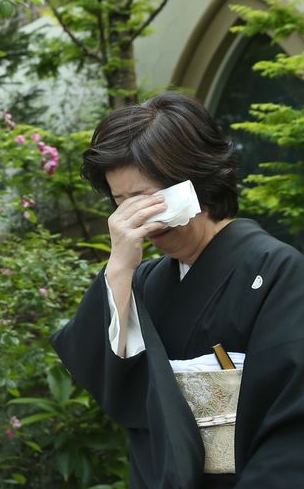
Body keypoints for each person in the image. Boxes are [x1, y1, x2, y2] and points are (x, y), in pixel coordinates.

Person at [51, 92, 304, 488]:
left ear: (194, 181)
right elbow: (106, 380)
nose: (134, 217)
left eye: (144, 198)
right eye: (120, 202)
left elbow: (292, 423)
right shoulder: (143, 282)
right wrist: (118, 268)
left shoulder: (277, 272)